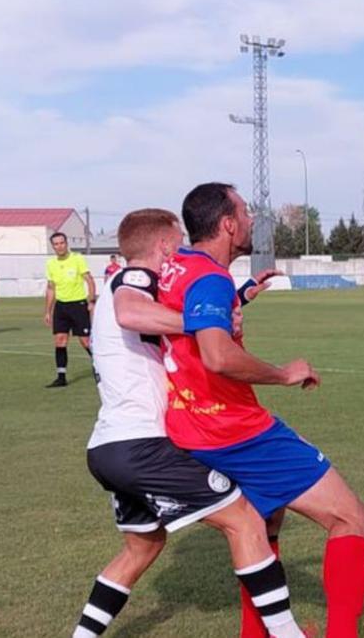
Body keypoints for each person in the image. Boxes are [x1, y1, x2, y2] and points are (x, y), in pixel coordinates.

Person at [74, 209, 306, 638]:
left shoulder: (131, 285)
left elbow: (178, 304)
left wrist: (242, 294)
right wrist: (202, 324)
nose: (180, 253)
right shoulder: (134, 279)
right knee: (246, 521)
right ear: (163, 246)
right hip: (142, 444)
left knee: (142, 547)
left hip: (108, 448)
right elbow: (131, 312)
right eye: (177, 243)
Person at [159, 182, 364, 637]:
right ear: (228, 224)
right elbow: (216, 355)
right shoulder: (210, 278)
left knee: (262, 522)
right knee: (350, 517)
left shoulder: (176, 266)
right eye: (246, 212)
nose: (253, 219)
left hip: (188, 423)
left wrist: (243, 295)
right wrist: (283, 373)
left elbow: (189, 315)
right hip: (232, 429)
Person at [44, 232, 97, 388]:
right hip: (61, 306)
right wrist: (48, 310)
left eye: (62, 243)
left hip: (78, 305)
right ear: (52, 246)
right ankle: (61, 376)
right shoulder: (51, 264)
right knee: (60, 340)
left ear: (66, 244)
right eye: (56, 244)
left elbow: (89, 280)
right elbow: (51, 288)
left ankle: (101, 367)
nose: (59, 246)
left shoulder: (77, 259)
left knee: (85, 341)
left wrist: (91, 300)